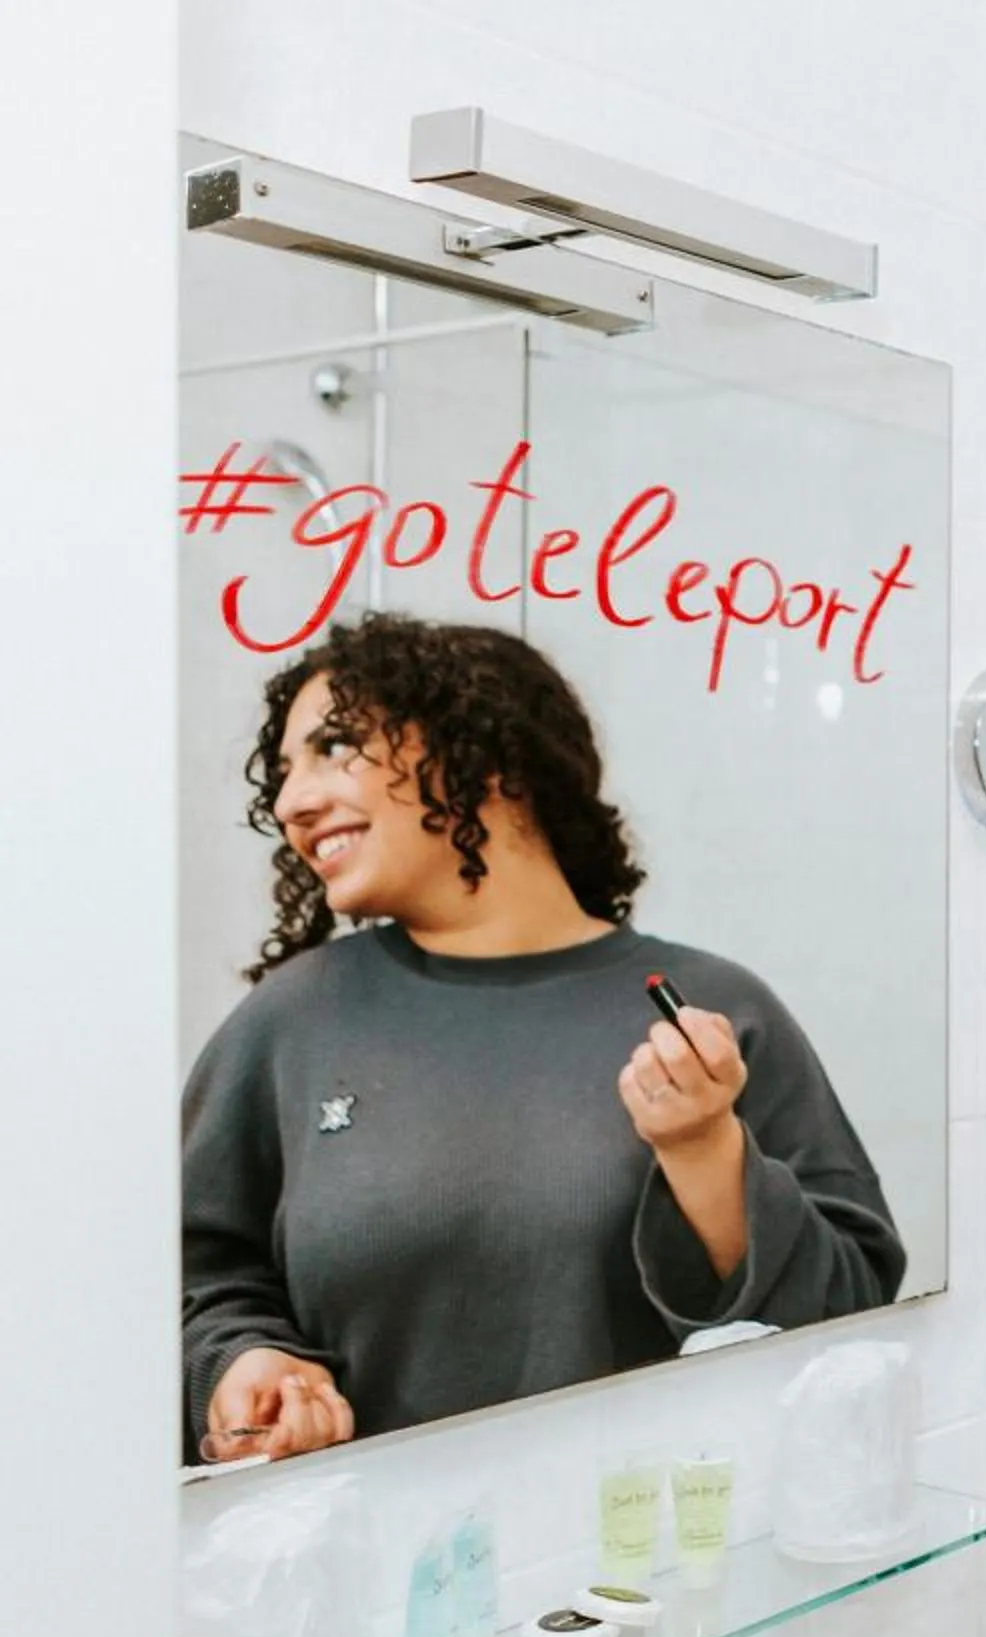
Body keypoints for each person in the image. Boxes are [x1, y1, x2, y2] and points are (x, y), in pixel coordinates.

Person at [182, 614, 904, 1462]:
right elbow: (196, 1274)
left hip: (654, 1573)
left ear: (484, 758)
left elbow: (853, 1329)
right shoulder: (290, 1023)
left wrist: (707, 1149)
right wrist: (246, 1360)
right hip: (365, 1574)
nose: (291, 801)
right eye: (284, 770)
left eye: (335, 748)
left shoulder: (715, 1013)